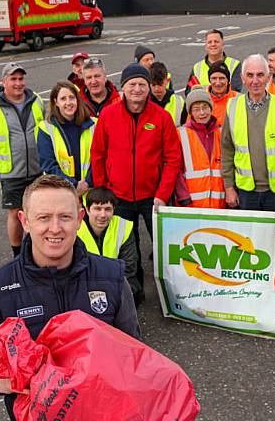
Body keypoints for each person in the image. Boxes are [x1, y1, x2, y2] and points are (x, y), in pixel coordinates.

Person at [0, 175, 141, 421]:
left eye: (65, 217)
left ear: (80, 218)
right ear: (24, 221)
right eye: (43, 218)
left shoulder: (111, 279)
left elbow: (135, 355)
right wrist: (7, 382)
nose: (55, 228)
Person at [91, 63, 182, 289]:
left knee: (163, 248)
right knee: (128, 250)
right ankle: (134, 291)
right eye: (132, 84)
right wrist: (104, 191)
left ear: (149, 88)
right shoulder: (108, 115)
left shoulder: (161, 117)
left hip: (153, 196)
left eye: (142, 84)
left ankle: (171, 292)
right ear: (123, 88)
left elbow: (173, 159)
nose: (137, 89)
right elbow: (98, 154)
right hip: (118, 197)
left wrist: (162, 194)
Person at [0, 62, 45, 257]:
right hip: (10, 172)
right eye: (13, 79)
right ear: (4, 81)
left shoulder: (36, 100)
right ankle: (17, 254)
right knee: (14, 213)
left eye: (21, 79)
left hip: (37, 169)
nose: (18, 83)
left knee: (37, 213)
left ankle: (35, 251)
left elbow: (44, 130)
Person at [221, 54, 275, 211]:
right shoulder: (232, 107)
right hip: (246, 192)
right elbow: (227, 150)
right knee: (248, 236)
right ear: (242, 78)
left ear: (268, 77)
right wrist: (229, 187)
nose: (255, 81)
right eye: (250, 75)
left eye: (260, 75)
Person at [78, 185, 142, 305]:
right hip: (86, 286)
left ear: (114, 210)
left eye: (108, 209)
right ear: (87, 210)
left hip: (118, 283)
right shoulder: (75, 229)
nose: (103, 215)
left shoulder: (124, 227)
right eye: (97, 208)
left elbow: (129, 267)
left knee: (132, 289)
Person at [36, 80, 96, 197]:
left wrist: (87, 182)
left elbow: (100, 158)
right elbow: (48, 165)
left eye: (71, 98)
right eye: (63, 99)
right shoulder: (46, 128)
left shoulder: (94, 124)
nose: (68, 102)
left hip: (91, 191)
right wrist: (73, 185)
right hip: (62, 191)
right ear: (56, 102)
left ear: (77, 100)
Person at [175, 87, 226, 209]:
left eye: (205, 107)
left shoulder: (221, 133)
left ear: (211, 108)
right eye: (196, 109)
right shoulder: (180, 134)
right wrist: (183, 197)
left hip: (219, 205)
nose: (202, 113)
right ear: (190, 113)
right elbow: (176, 169)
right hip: (191, 205)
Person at [187, 29, 241, 93]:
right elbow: (190, 93)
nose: (213, 44)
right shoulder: (197, 67)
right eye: (209, 42)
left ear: (223, 44)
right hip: (203, 103)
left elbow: (235, 91)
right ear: (206, 46)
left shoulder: (234, 64)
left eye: (216, 41)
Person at [149, 62, 186, 127]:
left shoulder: (179, 102)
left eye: (160, 84)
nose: (157, 88)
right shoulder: (143, 103)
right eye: (153, 85)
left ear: (167, 81)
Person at [207, 62, 238, 128]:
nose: (218, 83)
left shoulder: (239, 99)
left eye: (222, 78)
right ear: (209, 80)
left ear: (228, 80)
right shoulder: (200, 100)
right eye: (214, 78)